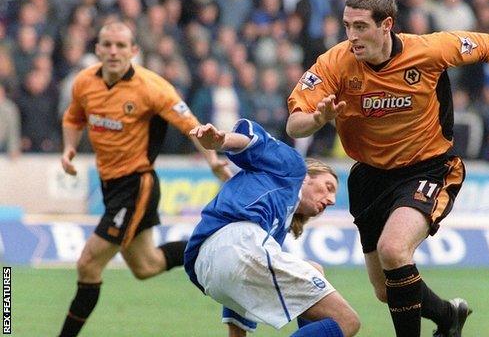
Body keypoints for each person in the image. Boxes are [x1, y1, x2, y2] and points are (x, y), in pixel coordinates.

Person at [285, 0, 489, 336]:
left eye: (361, 26)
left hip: (428, 167)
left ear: (386, 25)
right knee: (387, 290)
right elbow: (295, 124)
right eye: (347, 25)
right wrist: (318, 119)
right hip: (369, 177)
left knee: (394, 250)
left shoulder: (427, 50)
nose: (352, 36)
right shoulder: (335, 62)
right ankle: (447, 316)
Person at [57, 21, 232, 337]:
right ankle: (214, 246)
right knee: (146, 266)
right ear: (96, 48)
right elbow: (73, 118)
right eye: (107, 44)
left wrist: (213, 161)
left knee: (88, 263)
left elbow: (192, 127)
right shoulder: (84, 82)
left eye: (120, 46)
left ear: (133, 51)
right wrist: (69, 148)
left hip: (136, 184)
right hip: (110, 185)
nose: (113, 51)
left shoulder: (153, 87)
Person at [184, 119, 360, 337]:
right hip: (236, 243)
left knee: (313, 269)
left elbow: (239, 290)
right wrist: (221, 141)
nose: (331, 199)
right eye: (328, 187)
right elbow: (255, 141)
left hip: (206, 269)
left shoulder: (273, 224)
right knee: (347, 321)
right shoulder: (294, 167)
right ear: (307, 177)